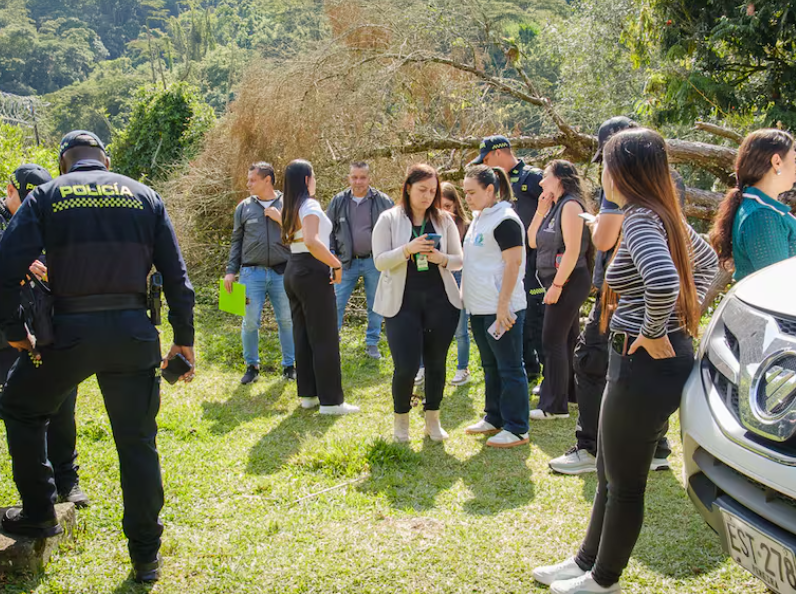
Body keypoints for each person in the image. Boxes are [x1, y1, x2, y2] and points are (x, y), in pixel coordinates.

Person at [0, 131, 196, 584]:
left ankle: (38, 512)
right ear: (105, 160)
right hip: (132, 334)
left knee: (21, 407)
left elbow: (5, 269)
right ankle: (146, 557)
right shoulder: (145, 196)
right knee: (137, 444)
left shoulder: (48, 194)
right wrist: (183, 338)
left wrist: (16, 332)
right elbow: (176, 275)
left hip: (66, 335)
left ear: (64, 164)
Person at [532, 128, 717, 594]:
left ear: (624, 171)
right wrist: (681, 320)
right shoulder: (662, 213)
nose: (602, 174)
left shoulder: (637, 217)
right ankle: (585, 563)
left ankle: (604, 580)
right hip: (642, 363)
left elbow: (660, 279)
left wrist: (657, 329)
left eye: (607, 164)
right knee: (609, 472)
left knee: (625, 482)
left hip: (645, 364)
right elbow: (710, 263)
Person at [549, 117, 678, 475]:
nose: (603, 171)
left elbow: (606, 239)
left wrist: (595, 225)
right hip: (652, 304)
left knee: (590, 361)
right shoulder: (667, 181)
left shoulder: (625, 188)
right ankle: (656, 446)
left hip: (620, 295)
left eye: (604, 161)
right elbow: (700, 260)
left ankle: (590, 448)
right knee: (644, 370)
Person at [1, 164, 89, 508]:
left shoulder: (48, 219)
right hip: (7, 335)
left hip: (46, 328)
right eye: (26, 201)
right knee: (18, 412)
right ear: (11, 191)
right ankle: (36, 490)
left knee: (62, 407)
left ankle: (66, 479)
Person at [373, 164, 462, 442]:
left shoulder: (444, 220)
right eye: (422, 189)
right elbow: (379, 261)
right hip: (402, 304)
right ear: (408, 187)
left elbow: (459, 260)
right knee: (406, 366)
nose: (427, 196)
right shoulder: (389, 218)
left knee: (436, 364)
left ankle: (432, 421)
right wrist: (407, 250)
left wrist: (442, 258)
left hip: (440, 302)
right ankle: (401, 423)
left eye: (432, 190)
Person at [281, 159, 360, 415]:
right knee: (324, 335)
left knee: (302, 334)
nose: (315, 180)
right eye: (313, 175)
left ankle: (309, 395)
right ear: (307, 179)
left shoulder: (289, 205)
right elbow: (313, 241)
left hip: (293, 268)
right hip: (312, 269)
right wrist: (336, 264)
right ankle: (331, 402)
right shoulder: (310, 204)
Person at [461, 165, 530, 448]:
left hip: (501, 308)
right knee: (490, 365)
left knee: (510, 367)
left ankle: (517, 428)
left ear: (491, 190)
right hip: (478, 308)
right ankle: (494, 416)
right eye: (464, 193)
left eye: (472, 192)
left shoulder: (505, 220)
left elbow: (513, 264)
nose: (467, 198)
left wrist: (503, 307)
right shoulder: (479, 218)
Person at [471, 135, 544, 386]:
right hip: (504, 256)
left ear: (500, 153)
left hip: (532, 258)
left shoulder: (533, 177)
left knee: (534, 317)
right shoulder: (488, 201)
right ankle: (531, 368)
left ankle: (543, 373)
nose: (487, 164)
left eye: (488, 159)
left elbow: (551, 210)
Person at [528, 160, 592, 420]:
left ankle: (553, 406)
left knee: (551, 339)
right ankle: (571, 394)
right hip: (557, 280)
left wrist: (557, 286)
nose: (541, 182)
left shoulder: (571, 206)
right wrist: (540, 210)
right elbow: (532, 240)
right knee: (567, 338)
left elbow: (574, 250)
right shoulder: (554, 208)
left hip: (569, 280)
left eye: (545, 176)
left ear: (560, 179)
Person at [224, 162, 295, 384]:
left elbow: (300, 235)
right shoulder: (243, 207)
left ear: (267, 180)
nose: (248, 184)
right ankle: (252, 367)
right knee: (250, 321)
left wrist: (280, 218)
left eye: (252, 180)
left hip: (282, 273)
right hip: (250, 274)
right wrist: (230, 271)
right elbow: (236, 241)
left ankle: (290, 367)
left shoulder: (289, 203)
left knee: (286, 320)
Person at [710, 129, 796, 281]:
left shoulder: (762, 210)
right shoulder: (762, 216)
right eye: (794, 159)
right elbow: (779, 283)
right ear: (777, 162)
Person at [327, 162, 393, 359]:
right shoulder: (338, 201)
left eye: (362, 177)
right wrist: (332, 256)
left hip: (374, 261)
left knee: (375, 303)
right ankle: (331, 341)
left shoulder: (382, 201)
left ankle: (372, 343)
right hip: (345, 263)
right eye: (354, 177)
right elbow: (327, 230)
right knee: (336, 302)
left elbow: (394, 228)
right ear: (349, 178)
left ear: (369, 178)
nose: (358, 181)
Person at [414, 182, 472, 386]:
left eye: (448, 206)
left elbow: (464, 258)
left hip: (458, 277)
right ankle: (421, 367)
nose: (444, 211)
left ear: (456, 205)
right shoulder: (426, 223)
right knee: (425, 325)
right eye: (440, 206)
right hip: (433, 278)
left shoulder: (466, 226)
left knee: (460, 328)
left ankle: (462, 368)